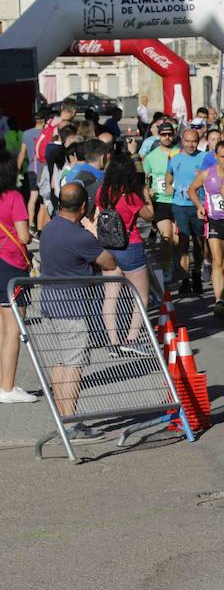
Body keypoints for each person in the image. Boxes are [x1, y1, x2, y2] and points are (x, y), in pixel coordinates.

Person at [38, 183, 119, 441]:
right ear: (84, 207)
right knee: (74, 365)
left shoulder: (49, 228)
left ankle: (65, 418)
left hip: (51, 303)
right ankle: (71, 424)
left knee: (61, 361)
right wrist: (93, 233)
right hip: (73, 308)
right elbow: (109, 262)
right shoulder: (79, 236)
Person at [94, 151, 154, 358]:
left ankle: (112, 342)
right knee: (141, 296)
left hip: (108, 247)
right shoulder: (129, 194)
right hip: (130, 245)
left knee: (111, 296)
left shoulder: (103, 191)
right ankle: (132, 339)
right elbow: (149, 215)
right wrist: (145, 195)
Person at [0, 154, 36, 403]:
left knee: (2, 330)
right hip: (12, 264)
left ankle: (4, 382)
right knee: (13, 330)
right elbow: (23, 236)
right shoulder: (13, 197)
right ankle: (8, 387)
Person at [188, 140, 224, 318]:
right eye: (222, 157)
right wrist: (198, 206)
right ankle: (218, 300)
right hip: (214, 220)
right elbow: (192, 189)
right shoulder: (206, 174)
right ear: (215, 156)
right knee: (217, 260)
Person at [169, 127, 204, 295]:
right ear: (182, 141)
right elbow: (169, 176)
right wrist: (169, 187)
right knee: (183, 243)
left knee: (199, 243)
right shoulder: (175, 159)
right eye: (187, 141)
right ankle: (184, 278)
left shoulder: (204, 158)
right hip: (180, 205)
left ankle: (196, 273)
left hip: (199, 206)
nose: (191, 144)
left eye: (194, 141)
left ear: (198, 141)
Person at [141, 120, 178, 250]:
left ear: (174, 135)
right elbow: (144, 177)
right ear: (159, 136)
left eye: (169, 134)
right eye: (163, 134)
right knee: (166, 236)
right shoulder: (151, 156)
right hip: (160, 200)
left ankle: (176, 267)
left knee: (177, 239)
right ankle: (166, 269)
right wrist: (148, 191)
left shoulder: (179, 153)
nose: (167, 137)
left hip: (178, 200)